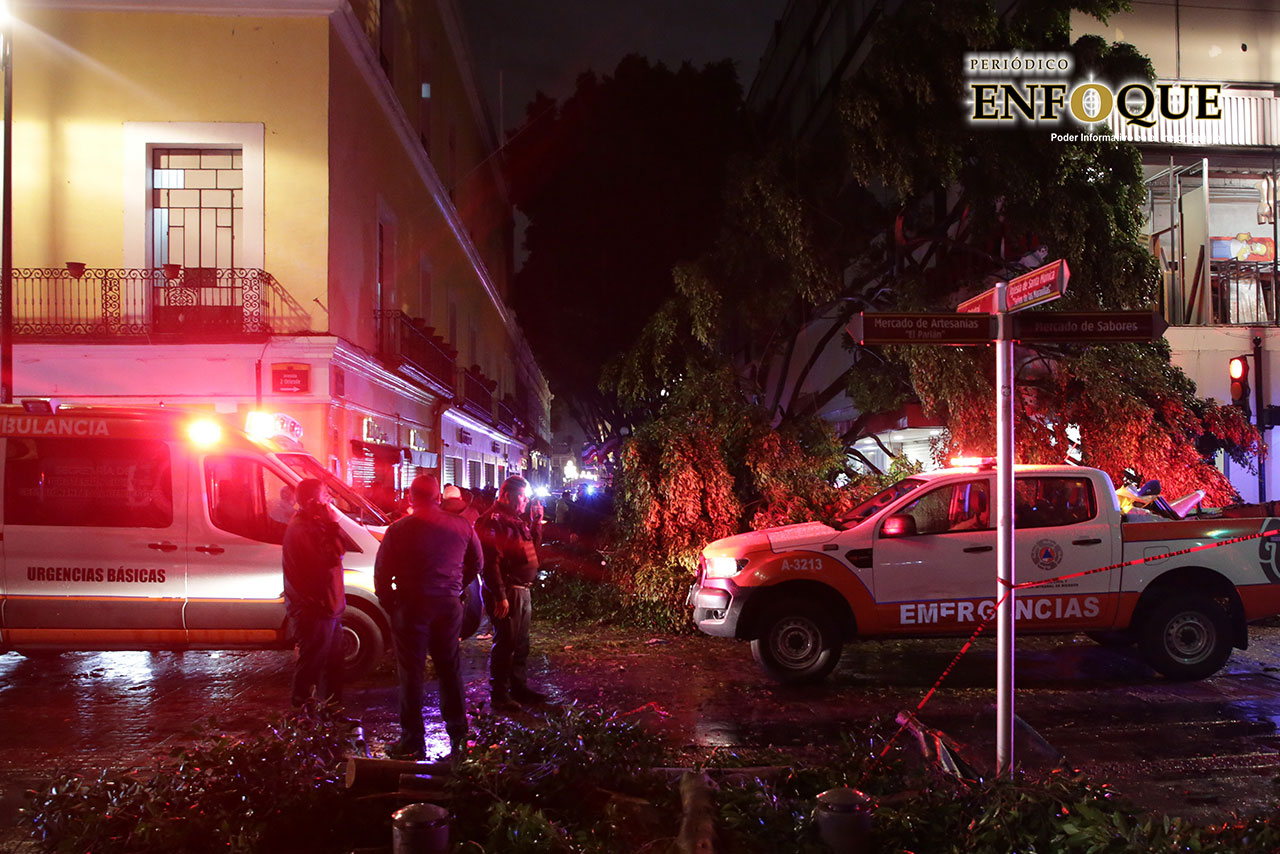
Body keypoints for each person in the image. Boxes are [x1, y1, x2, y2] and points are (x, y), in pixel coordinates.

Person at [375, 474, 482, 761]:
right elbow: (477, 563)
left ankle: (412, 742)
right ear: (439, 498)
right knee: (450, 670)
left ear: (411, 498)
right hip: (447, 606)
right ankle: (459, 739)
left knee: (411, 675)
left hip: (411, 607)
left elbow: (382, 574)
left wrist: (392, 604)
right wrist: (457, 586)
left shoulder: (398, 530)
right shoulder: (462, 526)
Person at [478, 475, 549, 711]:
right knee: (506, 642)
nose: (526, 500)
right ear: (507, 496)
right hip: (508, 591)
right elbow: (490, 561)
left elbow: (530, 548)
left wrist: (536, 522)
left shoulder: (514, 520)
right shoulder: (493, 521)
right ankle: (500, 695)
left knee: (520, 643)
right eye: (522, 496)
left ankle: (518, 688)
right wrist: (499, 594)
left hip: (521, 591)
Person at [282, 478, 346, 713]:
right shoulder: (303, 529)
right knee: (312, 663)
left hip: (327, 607)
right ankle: (301, 713)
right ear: (311, 501)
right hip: (314, 609)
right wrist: (333, 525)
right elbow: (330, 558)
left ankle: (332, 713)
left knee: (333, 664)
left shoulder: (310, 524)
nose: (329, 498)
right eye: (325, 494)